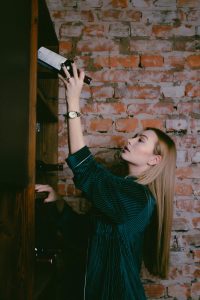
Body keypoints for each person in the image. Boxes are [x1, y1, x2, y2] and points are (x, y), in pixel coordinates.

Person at [36, 62, 177, 300]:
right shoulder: (123, 191)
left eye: (140, 140)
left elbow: (87, 170)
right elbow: (86, 236)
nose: (130, 141)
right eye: (134, 136)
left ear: (154, 160)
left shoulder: (138, 198)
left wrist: (72, 103)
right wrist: (59, 202)